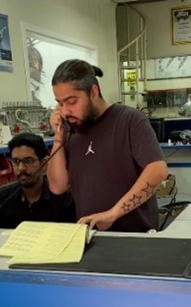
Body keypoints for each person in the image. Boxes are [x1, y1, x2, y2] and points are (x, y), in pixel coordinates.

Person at [47, 59, 168, 232]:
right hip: (90, 235)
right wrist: (59, 138)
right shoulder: (74, 131)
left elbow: (158, 170)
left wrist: (113, 214)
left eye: (71, 101)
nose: (65, 111)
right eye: (60, 103)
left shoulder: (130, 120)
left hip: (135, 237)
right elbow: (58, 187)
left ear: (93, 92)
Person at [0, 133, 75, 229]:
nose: (21, 168)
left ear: (43, 164)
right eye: (16, 161)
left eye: (28, 161)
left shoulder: (63, 199)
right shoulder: (4, 198)